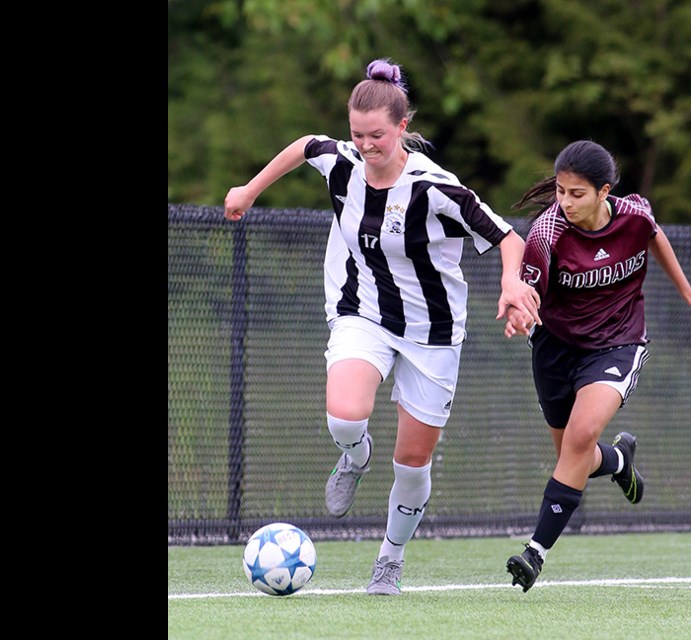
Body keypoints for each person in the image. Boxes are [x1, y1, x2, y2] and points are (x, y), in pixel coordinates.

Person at [224, 59, 541, 596]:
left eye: (377, 135)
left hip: (432, 332)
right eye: (357, 134)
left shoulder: (436, 190)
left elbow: (510, 238)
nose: (366, 145)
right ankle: (355, 454)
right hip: (361, 312)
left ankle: (388, 561)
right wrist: (250, 189)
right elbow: (305, 145)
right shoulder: (340, 162)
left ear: (402, 127)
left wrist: (512, 284)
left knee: (412, 462)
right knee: (345, 416)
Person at [501, 140, 691, 592]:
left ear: (605, 191)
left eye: (577, 194)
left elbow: (654, 234)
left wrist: (687, 291)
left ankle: (534, 554)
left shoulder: (634, 214)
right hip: (554, 347)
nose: (565, 202)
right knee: (576, 457)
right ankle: (619, 459)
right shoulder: (547, 233)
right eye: (562, 191)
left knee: (581, 436)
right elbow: (525, 288)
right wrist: (518, 310)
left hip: (617, 344)